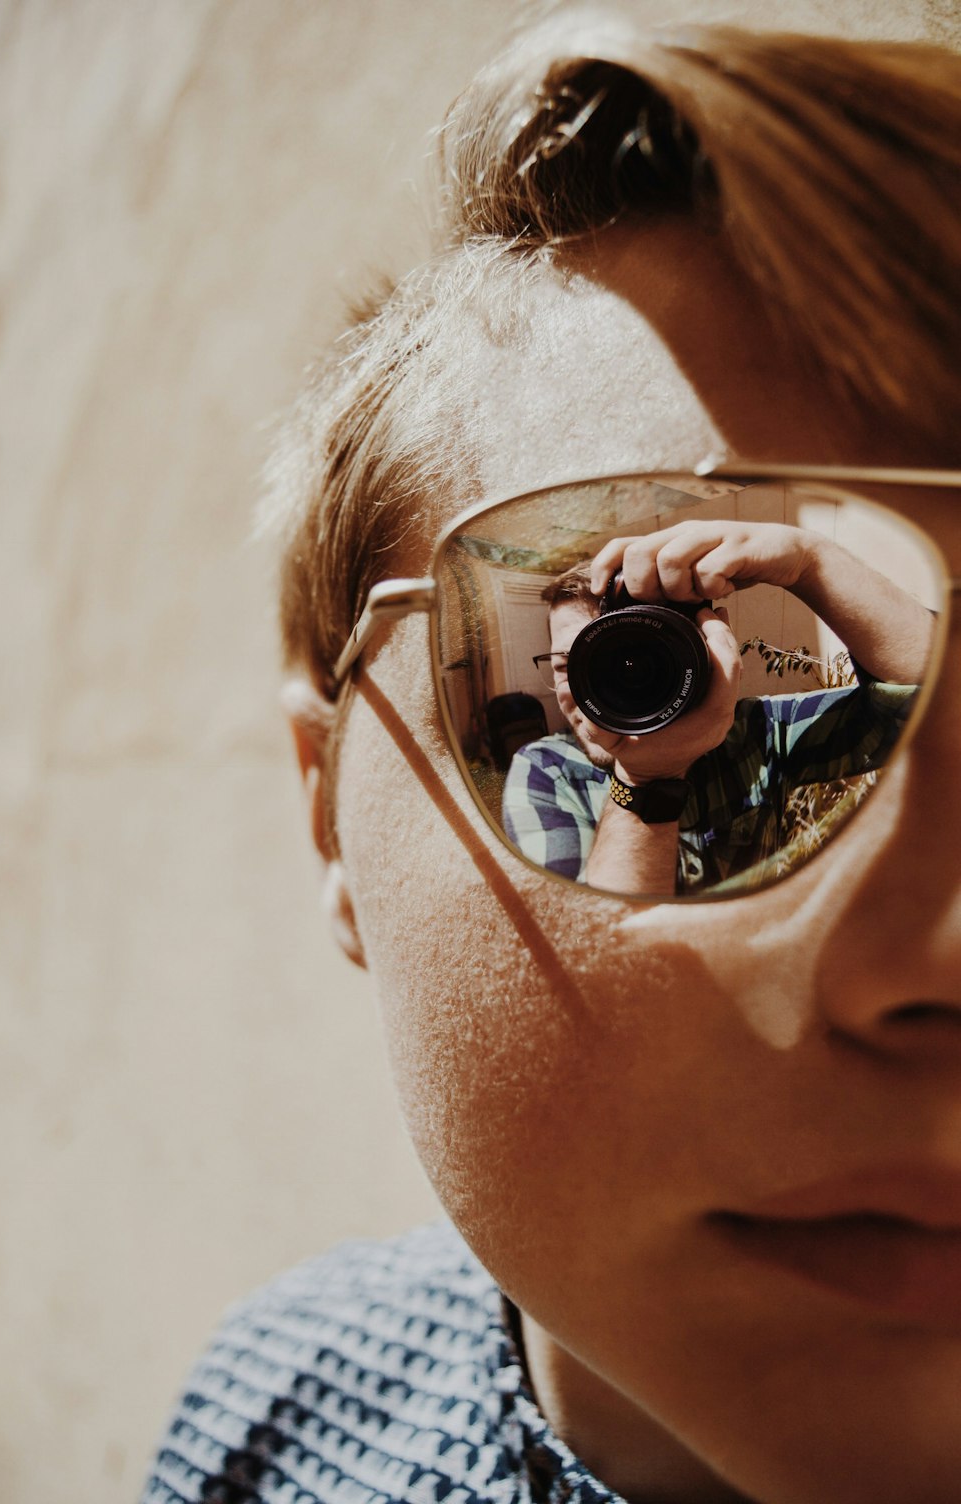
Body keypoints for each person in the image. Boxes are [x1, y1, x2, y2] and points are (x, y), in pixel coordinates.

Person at [143, 9, 961, 1504]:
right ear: (328, 810)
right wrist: (657, 775)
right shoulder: (276, 1410)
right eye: (605, 660)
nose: (939, 952)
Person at [503, 519, 930, 893]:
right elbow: (591, 956)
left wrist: (809, 563)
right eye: (568, 666)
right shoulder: (545, 771)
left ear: (698, 652)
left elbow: (932, 707)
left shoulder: (755, 732)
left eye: (624, 663)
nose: (589, 689)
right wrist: (644, 781)